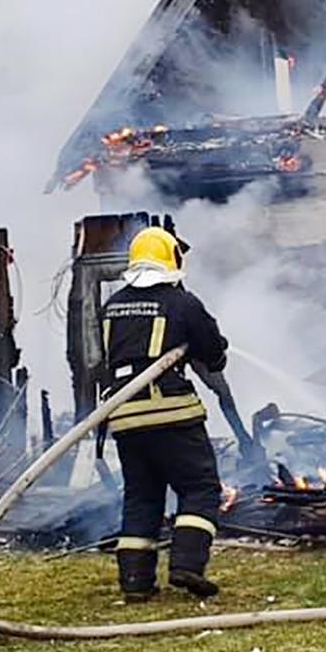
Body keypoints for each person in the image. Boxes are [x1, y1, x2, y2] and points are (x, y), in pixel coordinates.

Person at [102, 226, 229, 601]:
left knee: (141, 495)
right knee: (200, 488)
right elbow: (211, 349)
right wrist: (215, 351)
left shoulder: (113, 304)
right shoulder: (181, 302)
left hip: (124, 415)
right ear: (171, 258)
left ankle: (136, 584)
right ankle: (187, 565)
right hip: (171, 412)